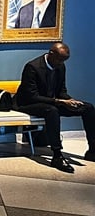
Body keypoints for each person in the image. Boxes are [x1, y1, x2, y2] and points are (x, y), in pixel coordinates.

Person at [14, 42, 95, 173]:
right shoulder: (32, 67)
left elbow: (61, 90)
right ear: (51, 54)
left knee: (88, 108)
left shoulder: (60, 66)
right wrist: (59, 101)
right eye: (59, 59)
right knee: (52, 111)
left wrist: (69, 100)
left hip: (52, 102)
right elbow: (31, 96)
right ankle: (57, 155)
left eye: (64, 60)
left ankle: (93, 150)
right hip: (27, 104)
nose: (60, 63)